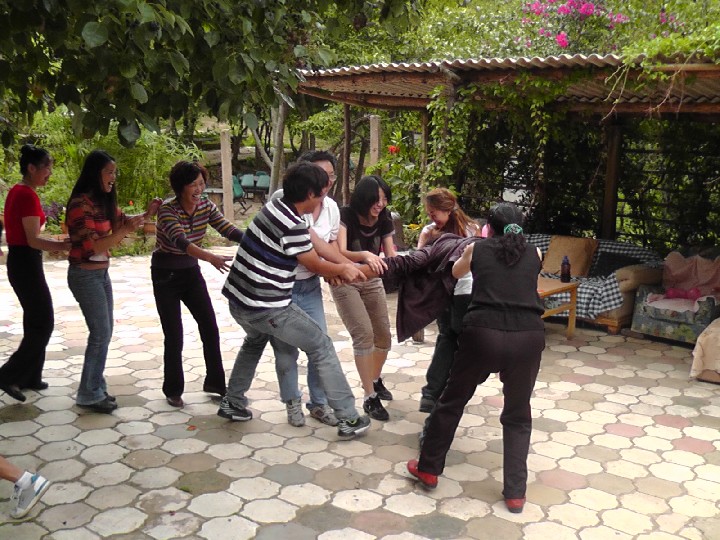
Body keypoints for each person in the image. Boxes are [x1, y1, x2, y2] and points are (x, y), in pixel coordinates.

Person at [406, 202, 545, 515]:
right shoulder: (535, 253)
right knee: (518, 415)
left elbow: (456, 273)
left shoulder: (477, 249)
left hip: (482, 335)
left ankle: (428, 468)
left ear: (489, 229)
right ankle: (515, 494)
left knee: (451, 401)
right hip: (527, 337)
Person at [218, 162, 371, 438]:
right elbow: (314, 263)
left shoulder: (276, 207)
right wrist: (344, 270)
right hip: (267, 308)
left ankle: (233, 402)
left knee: (254, 341)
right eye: (322, 193)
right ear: (310, 194)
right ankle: (348, 418)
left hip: (239, 301)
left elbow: (318, 246)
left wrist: (346, 264)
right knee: (321, 345)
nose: (324, 198)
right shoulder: (292, 224)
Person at [66, 149, 160, 414]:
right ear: (95, 174)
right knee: (100, 333)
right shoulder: (80, 205)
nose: (113, 178)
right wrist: (125, 230)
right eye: (109, 172)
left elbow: (125, 222)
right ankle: (88, 393)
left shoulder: (103, 202)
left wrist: (147, 213)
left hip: (101, 274)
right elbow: (91, 247)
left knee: (104, 333)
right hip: (84, 275)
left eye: (114, 173)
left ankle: (95, 387)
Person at [152, 161, 244, 408]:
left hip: (190, 273)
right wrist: (210, 257)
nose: (199, 189)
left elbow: (228, 229)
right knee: (174, 334)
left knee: (209, 327)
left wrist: (256, 240)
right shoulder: (167, 210)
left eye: (201, 184)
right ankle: (173, 390)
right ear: (180, 187)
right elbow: (181, 242)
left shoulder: (206, 205)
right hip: (165, 275)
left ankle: (215, 383)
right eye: (193, 184)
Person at [268, 150, 347, 427]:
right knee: (285, 349)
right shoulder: (283, 200)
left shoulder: (331, 208)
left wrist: (336, 266)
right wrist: (341, 269)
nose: (326, 182)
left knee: (320, 344)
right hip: (282, 287)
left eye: (330, 176)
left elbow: (331, 243)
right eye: (320, 175)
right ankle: (292, 402)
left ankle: (319, 403)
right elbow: (309, 251)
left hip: (310, 286)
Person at [0, 145, 70, 403]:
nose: (50, 172)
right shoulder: (26, 195)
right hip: (25, 261)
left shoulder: (18, 191)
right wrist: (65, 246)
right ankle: (7, 375)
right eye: (46, 167)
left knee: (35, 320)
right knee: (43, 322)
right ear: (31, 168)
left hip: (22, 261)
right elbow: (33, 240)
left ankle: (30, 376)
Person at [330, 175, 396, 421]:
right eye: (376, 199)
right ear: (363, 197)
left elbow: (390, 253)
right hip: (345, 280)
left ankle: (374, 379)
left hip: (372, 280)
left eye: (384, 199)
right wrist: (366, 254)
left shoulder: (385, 218)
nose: (380, 204)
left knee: (383, 336)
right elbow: (340, 251)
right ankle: (369, 396)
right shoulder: (345, 215)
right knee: (364, 335)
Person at [416, 188, 481, 413]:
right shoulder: (429, 231)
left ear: (446, 209)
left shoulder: (471, 229)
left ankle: (434, 393)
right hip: (443, 293)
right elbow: (419, 262)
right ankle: (438, 394)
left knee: (453, 339)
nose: (431, 217)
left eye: (433, 213)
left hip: (464, 291)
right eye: (429, 213)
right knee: (450, 338)